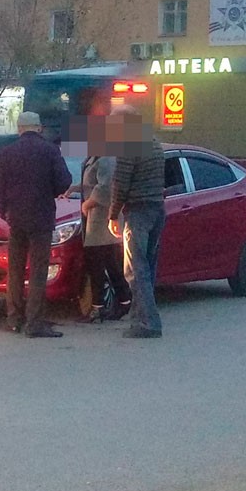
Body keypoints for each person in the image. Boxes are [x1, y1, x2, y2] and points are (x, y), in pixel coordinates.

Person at [0, 110, 72, 338]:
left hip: (16, 218)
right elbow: (64, 181)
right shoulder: (50, 150)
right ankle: (34, 322)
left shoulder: (6, 152)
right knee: (38, 270)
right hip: (41, 217)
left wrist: (5, 212)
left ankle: (14, 318)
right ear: (39, 128)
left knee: (15, 269)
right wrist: (50, 191)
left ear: (19, 129)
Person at [107, 106, 165, 339]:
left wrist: (113, 215)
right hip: (157, 209)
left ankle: (147, 323)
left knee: (134, 269)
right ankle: (140, 317)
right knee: (147, 267)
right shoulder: (154, 142)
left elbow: (120, 184)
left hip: (138, 211)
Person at [76, 139, 132, 323]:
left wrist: (87, 203)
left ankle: (99, 307)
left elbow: (105, 187)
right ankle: (123, 301)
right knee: (107, 262)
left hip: (102, 217)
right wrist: (73, 189)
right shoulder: (95, 157)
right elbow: (91, 183)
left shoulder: (107, 157)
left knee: (98, 263)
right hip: (96, 217)